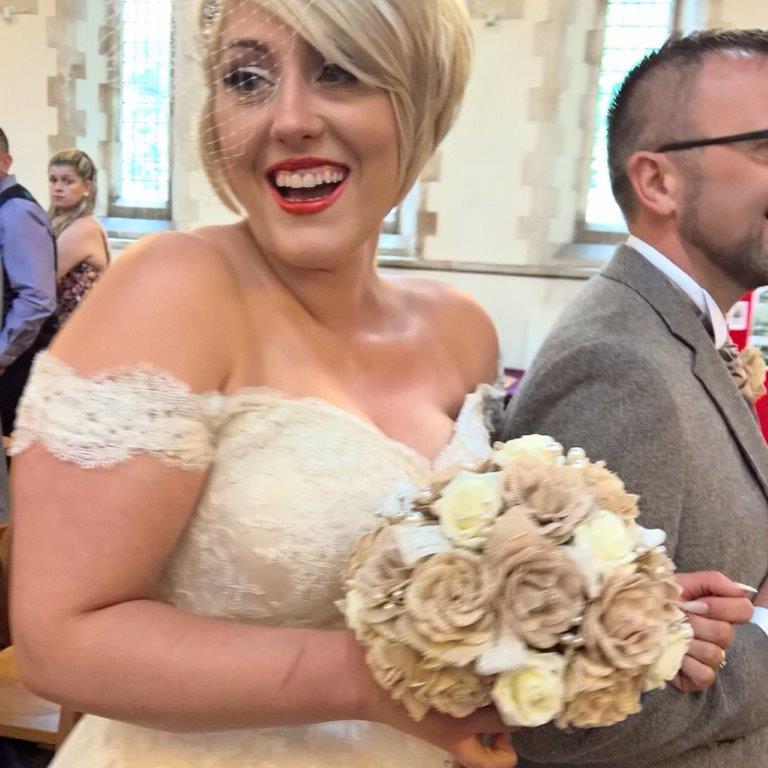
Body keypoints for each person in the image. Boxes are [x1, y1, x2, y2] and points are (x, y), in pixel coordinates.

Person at [5, 5, 752, 768]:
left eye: (341, 71)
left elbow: (455, 583)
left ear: (422, 98)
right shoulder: (172, 288)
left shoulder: (460, 331)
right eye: (246, 77)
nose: (290, 117)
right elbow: (61, 640)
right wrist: (370, 682)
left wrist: (601, 609)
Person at [504, 29, 768, 768]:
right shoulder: (618, 366)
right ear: (657, 183)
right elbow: (565, 714)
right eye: (765, 147)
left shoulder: (676, 332)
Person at [0, 127, 57, 436]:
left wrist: (2, 354)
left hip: (16, 365)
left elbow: (36, 299)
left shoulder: (17, 212)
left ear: (5, 161)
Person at [48, 149, 110, 325]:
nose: (58, 187)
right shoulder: (58, 221)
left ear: (87, 187)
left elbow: (41, 279)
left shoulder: (84, 228)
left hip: (77, 329)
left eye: (68, 181)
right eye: (53, 180)